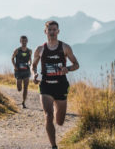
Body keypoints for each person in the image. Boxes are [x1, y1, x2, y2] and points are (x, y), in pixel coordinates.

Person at [31, 21, 79, 149]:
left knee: (60, 121)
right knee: (48, 115)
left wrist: (67, 68)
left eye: (54, 30)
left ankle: (59, 113)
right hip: (46, 86)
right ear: (45, 32)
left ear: (58, 31)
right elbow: (33, 65)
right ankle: (53, 146)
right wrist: (34, 75)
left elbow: (76, 65)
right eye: (49, 30)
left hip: (61, 86)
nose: (52, 32)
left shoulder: (65, 48)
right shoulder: (40, 49)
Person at [11, 35, 32, 108]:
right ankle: (19, 87)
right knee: (19, 88)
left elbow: (30, 59)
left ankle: (23, 102)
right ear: (20, 41)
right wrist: (15, 66)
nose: (24, 42)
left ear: (27, 41)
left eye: (25, 41)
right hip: (18, 71)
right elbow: (12, 58)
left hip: (26, 70)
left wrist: (30, 63)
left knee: (26, 87)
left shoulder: (29, 51)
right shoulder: (17, 50)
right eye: (22, 41)